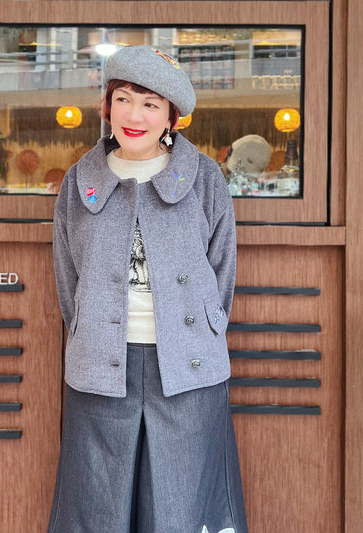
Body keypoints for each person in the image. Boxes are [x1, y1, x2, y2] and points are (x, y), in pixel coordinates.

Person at [48, 45, 247, 533]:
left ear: (171, 118)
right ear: (107, 106)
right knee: (97, 504)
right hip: (100, 366)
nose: (134, 115)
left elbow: (222, 267)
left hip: (187, 366)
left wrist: (202, 326)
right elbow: (66, 274)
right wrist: (88, 328)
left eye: (150, 103)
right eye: (124, 99)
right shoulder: (79, 182)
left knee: (181, 505)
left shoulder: (203, 179)